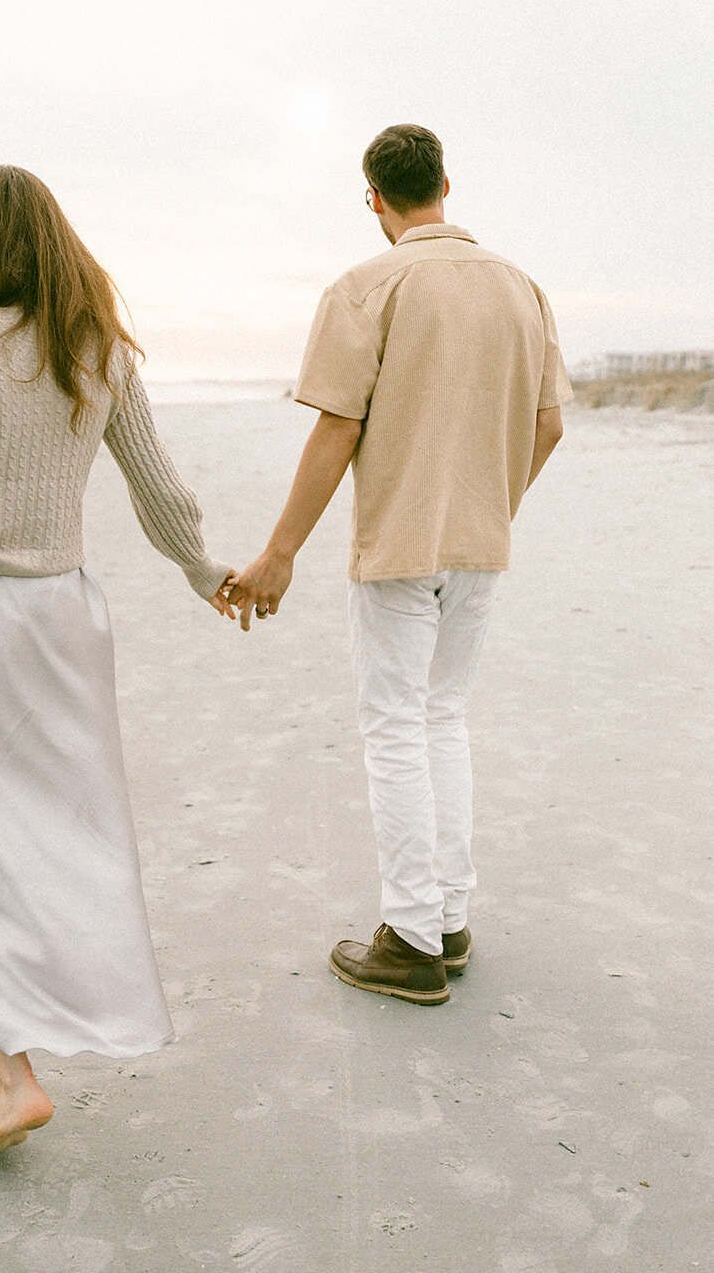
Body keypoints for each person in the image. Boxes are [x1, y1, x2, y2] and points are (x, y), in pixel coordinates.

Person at [0, 164, 234, 1151]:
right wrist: (203, 570)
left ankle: (12, 1070)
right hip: (64, 619)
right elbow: (157, 488)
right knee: (29, 827)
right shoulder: (92, 347)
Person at [227, 124, 571, 1005]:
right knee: (442, 719)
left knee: (393, 728)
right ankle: (447, 919)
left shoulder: (365, 286)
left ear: (373, 197)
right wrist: (491, 507)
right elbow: (549, 424)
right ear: (446, 184)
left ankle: (413, 938)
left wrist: (279, 553)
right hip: (480, 543)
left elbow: (337, 426)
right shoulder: (521, 288)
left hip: (397, 548)